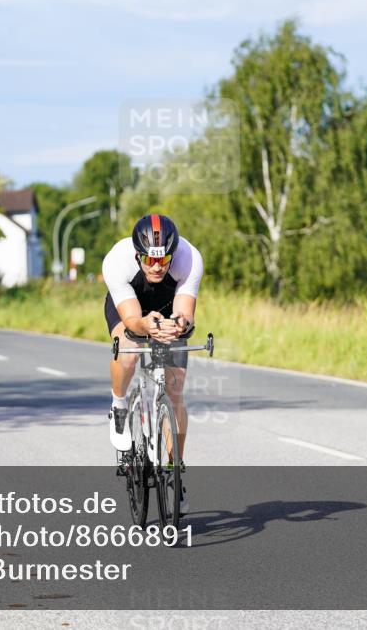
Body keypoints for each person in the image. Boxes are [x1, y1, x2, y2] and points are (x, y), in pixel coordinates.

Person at [102, 214, 203, 513]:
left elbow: (186, 312)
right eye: (149, 260)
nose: (157, 267)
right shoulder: (117, 261)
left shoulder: (189, 258)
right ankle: (119, 404)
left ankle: (175, 475)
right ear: (138, 255)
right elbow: (132, 319)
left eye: (163, 260)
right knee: (131, 351)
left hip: (168, 305)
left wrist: (181, 324)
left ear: (173, 254)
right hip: (130, 305)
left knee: (175, 390)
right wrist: (145, 325)